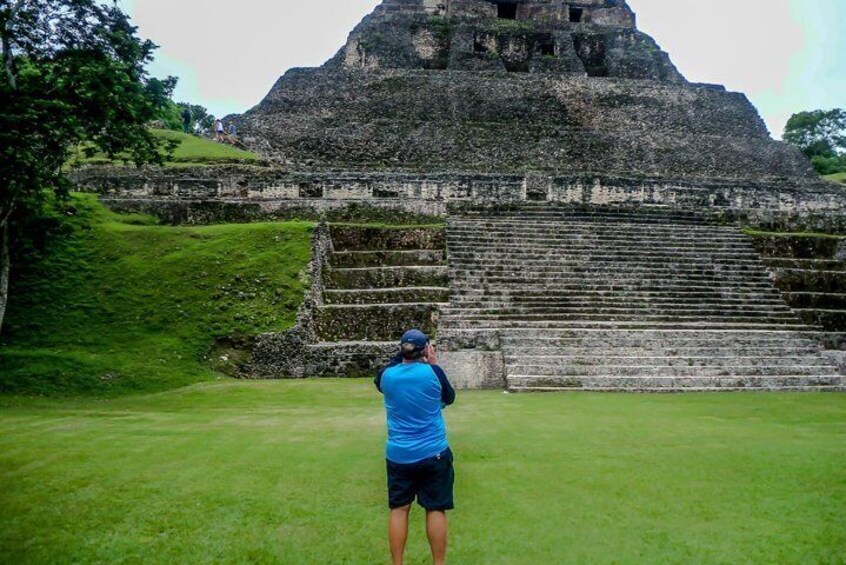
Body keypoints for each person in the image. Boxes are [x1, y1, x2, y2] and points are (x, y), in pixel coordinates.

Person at [375, 330, 456, 565]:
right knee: (435, 509)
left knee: (399, 510)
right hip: (434, 452)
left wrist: (403, 353)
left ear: (401, 350)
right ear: (425, 350)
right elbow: (449, 398)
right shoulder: (433, 372)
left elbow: (382, 375)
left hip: (399, 454)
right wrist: (431, 362)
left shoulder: (387, 376)